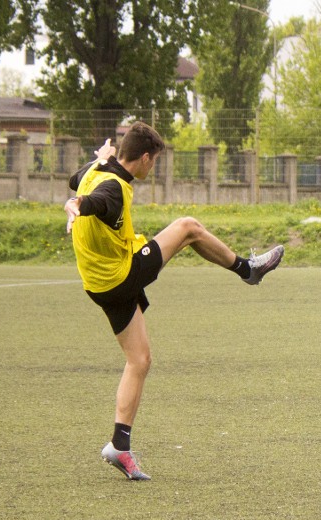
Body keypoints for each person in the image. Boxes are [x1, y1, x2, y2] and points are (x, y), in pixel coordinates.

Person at [64, 121, 284, 480]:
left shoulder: (97, 169)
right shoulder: (115, 188)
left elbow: (77, 180)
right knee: (187, 228)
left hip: (98, 283)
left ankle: (119, 446)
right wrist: (76, 206)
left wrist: (98, 162)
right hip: (120, 276)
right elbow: (91, 200)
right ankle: (248, 269)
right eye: (155, 162)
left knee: (140, 360)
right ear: (146, 158)